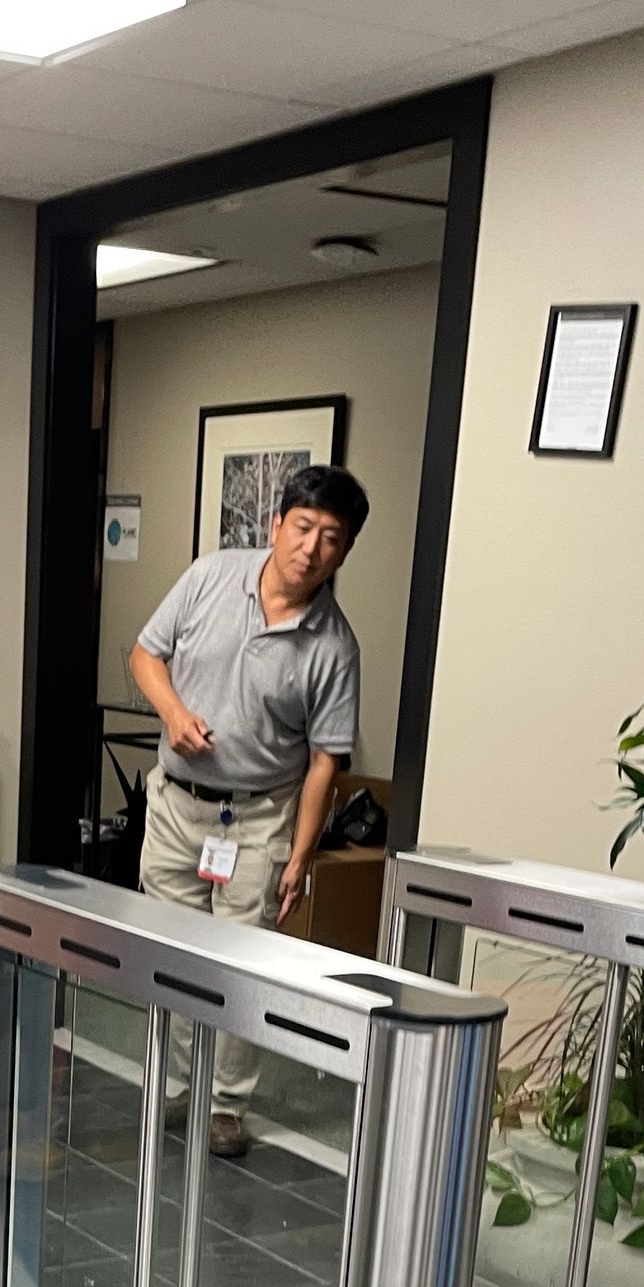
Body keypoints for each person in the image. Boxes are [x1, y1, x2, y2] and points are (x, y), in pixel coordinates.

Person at [131, 463, 369, 1158]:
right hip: (177, 805)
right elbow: (147, 654)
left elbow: (325, 760)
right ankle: (177, 1083)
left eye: (331, 538)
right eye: (303, 528)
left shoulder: (334, 647)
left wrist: (301, 854)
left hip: (259, 818)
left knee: (241, 962)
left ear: (344, 552)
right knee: (169, 951)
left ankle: (226, 1103)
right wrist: (173, 712)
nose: (311, 548)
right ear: (276, 525)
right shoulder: (211, 576)